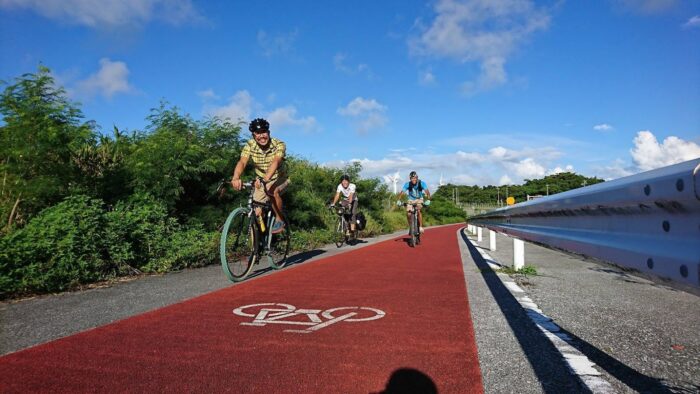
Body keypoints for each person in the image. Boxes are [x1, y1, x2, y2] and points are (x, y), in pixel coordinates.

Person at [230, 118, 288, 233]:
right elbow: (242, 162)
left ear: (269, 133)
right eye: (258, 133)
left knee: (272, 191)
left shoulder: (279, 144)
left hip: (280, 177)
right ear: (253, 135)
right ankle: (257, 243)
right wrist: (236, 177)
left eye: (264, 132)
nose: (261, 136)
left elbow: (276, 161)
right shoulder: (249, 145)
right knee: (256, 210)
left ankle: (279, 220)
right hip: (261, 179)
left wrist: (265, 179)